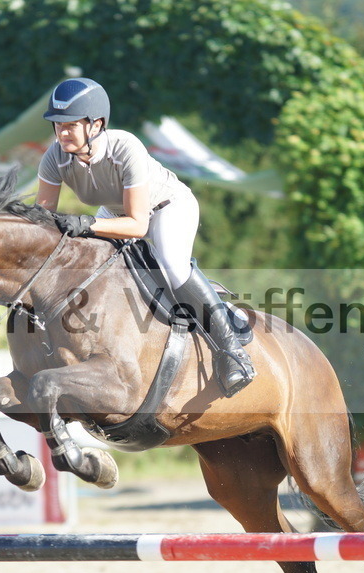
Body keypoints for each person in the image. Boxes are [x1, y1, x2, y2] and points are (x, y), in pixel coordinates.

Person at [35, 77, 255, 398]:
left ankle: (232, 350)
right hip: (114, 212)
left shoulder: (125, 147)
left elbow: (138, 225)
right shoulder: (55, 158)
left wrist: (85, 224)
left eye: (70, 125)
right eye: (57, 124)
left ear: (96, 125)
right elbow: (44, 221)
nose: (61, 132)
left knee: (172, 266)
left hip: (166, 206)